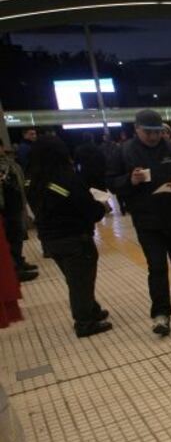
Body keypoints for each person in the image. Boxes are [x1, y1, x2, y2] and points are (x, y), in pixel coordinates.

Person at [106, 109, 171, 336]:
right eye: (148, 132)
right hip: (147, 220)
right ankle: (161, 314)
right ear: (136, 130)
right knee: (157, 266)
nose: (153, 137)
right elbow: (111, 182)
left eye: (157, 132)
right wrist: (129, 180)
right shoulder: (123, 152)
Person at [25, 136, 112, 338]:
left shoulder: (32, 180)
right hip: (75, 237)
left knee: (74, 278)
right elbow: (87, 208)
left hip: (49, 239)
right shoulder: (66, 178)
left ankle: (91, 309)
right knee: (80, 280)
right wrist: (100, 206)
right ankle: (85, 322)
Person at [0, 149, 38, 282]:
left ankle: (19, 262)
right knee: (10, 237)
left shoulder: (11, 164)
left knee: (17, 235)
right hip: (5, 209)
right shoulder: (8, 165)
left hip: (15, 205)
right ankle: (15, 268)